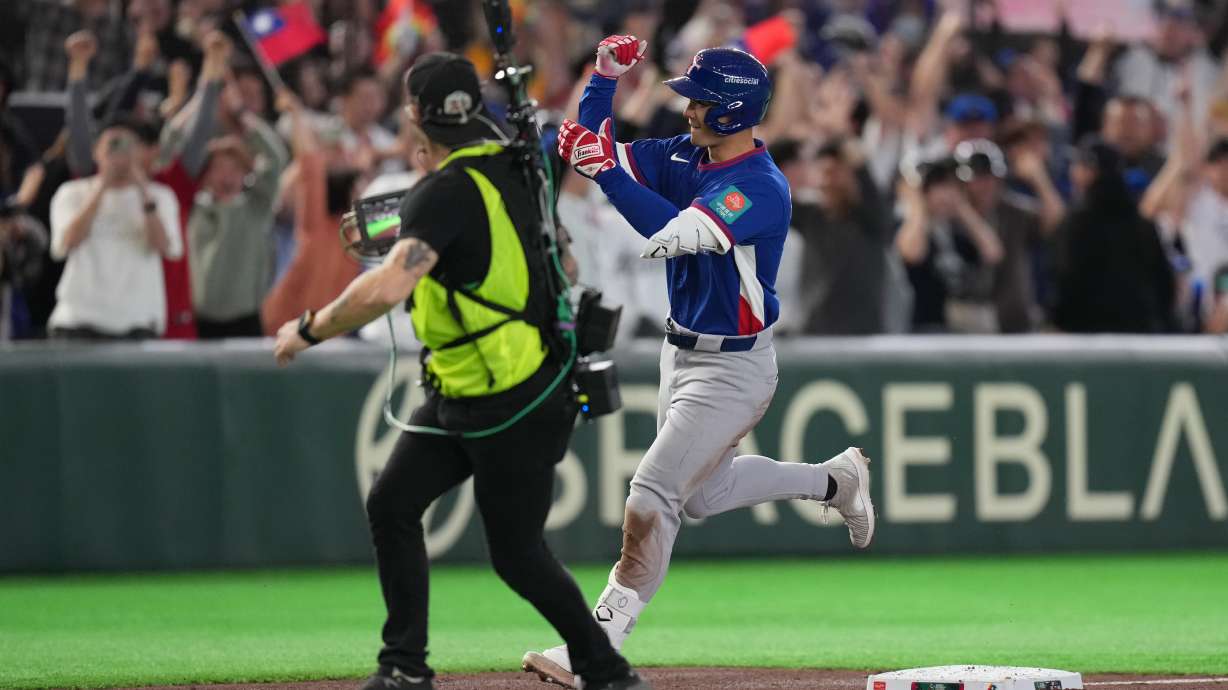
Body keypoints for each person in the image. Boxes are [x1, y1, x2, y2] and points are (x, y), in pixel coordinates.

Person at [272, 53, 650, 690]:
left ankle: (606, 670)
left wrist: (307, 329)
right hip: (475, 387)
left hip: (513, 400)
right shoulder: (516, 166)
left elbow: (388, 287)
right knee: (393, 503)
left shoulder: (444, 192)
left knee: (517, 554)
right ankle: (404, 665)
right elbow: (560, 250)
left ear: (415, 117)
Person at [523, 36, 875, 689]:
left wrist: (602, 170)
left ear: (735, 113)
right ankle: (834, 482)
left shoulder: (761, 187)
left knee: (653, 491)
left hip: (735, 368)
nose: (688, 109)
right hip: (680, 351)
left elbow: (672, 233)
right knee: (705, 494)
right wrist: (603, 80)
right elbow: (587, 142)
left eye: (702, 101)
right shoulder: (686, 151)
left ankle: (597, 644)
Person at [47, 116, 182, 339]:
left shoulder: (161, 197)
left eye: (129, 146)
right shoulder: (71, 193)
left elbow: (165, 247)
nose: (120, 152)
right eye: (112, 144)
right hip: (78, 320)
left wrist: (141, 187)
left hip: (138, 321)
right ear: (96, 151)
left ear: (141, 153)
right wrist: (102, 186)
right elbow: (66, 243)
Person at [1053, 136, 1174, 333]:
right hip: (1141, 338)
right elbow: (1164, 287)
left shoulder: (1078, 223)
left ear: (1090, 172)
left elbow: (1067, 283)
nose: (1073, 173)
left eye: (1078, 166)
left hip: (1088, 340)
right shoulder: (1141, 224)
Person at [954, 138, 1058, 333]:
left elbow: (1056, 224)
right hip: (963, 322)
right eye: (976, 177)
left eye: (989, 177)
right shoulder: (951, 215)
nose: (984, 184)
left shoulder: (1014, 211)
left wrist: (1039, 178)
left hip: (1013, 321)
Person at [896, 156, 1004, 333]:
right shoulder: (907, 225)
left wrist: (962, 207)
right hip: (919, 330)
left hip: (956, 330)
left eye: (953, 186)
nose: (947, 194)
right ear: (924, 190)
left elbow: (993, 253)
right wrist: (917, 204)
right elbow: (912, 254)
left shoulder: (954, 231)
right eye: (940, 186)